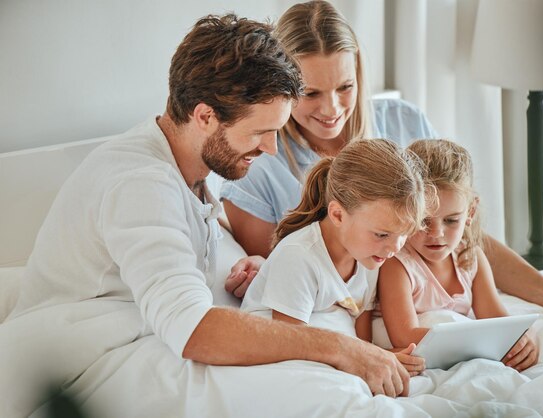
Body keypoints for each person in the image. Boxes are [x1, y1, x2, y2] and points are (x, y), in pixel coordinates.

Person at [7, 14, 410, 399]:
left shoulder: (198, 160)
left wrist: (267, 271)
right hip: (79, 356)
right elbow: (194, 328)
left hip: (142, 332)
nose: (270, 148)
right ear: (204, 115)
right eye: (261, 132)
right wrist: (340, 348)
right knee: (316, 392)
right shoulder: (141, 185)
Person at [221, 0, 543, 316]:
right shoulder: (259, 162)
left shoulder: (402, 122)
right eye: (311, 93)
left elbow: (462, 235)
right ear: (283, 87)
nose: (332, 109)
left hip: (431, 303)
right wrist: (258, 268)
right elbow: (280, 269)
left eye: (345, 87)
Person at [241, 139, 426, 377]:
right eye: (382, 234)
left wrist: (380, 358)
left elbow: (361, 336)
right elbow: (289, 345)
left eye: (404, 235)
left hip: (331, 355)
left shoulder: (371, 256)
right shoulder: (299, 256)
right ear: (338, 215)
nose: (394, 248)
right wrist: (368, 360)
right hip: (284, 357)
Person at [377, 139, 538, 371]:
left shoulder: (470, 257)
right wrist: (483, 342)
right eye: (424, 221)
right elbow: (405, 338)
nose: (436, 234)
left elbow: (497, 318)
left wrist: (523, 340)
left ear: (470, 211)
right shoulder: (398, 264)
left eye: (451, 220)